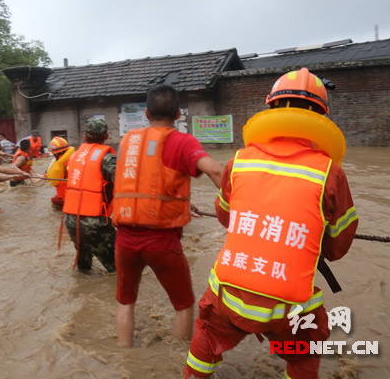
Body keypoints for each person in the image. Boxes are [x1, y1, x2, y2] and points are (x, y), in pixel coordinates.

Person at [183, 68, 359, 379]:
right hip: (291, 310)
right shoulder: (330, 172)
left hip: (229, 298)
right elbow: (336, 248)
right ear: (322, 116)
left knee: (206, 334)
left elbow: (227, 218)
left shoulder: (239, 161)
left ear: (271, 108)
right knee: (304, 354)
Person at [113, 84, 223, 347]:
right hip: (161, 242)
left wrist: (184, 202)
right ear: (178, 115)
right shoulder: (182, 141)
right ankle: (175, 363)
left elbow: (143, 185)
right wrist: (240, 206)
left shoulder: (128, 140)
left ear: (147, 114)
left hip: (125, 239)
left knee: (126, 302)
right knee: (183, 305)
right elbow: (216, 171)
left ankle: (124, 355)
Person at [62, 119, 117, 272]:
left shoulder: (75, 156)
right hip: (94, 222)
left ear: (85, 137)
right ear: (106, 136)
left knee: (84, 268)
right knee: (119, 269)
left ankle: (83, 291)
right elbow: (125, 183)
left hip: (71, 219)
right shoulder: (107, 158)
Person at [47, 136, 74, 208]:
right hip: (72, 196)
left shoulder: (65, 164)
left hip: (67, 199)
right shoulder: (72, 158)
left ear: (56, 153)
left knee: (54, 201)